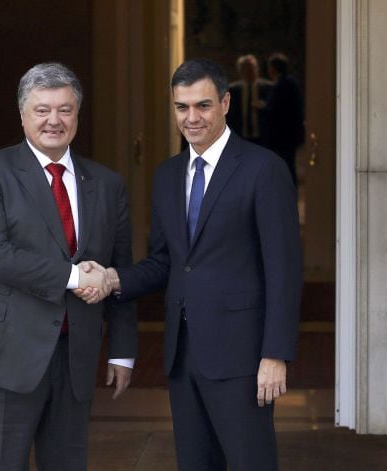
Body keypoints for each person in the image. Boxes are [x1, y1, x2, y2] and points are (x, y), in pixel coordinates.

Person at [80, 58, 302, 470]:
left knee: (249, 462)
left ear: (225, 103)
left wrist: (275, 354)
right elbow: (167, 262)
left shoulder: (263, 169)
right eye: (182, 107)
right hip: (183, 357)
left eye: (202, 105)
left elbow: (284, 270)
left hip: (243, 357)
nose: (192, 117)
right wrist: (113, 279)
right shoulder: (167, 175)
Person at [0, 62, 137, 470]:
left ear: (77, 115)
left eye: (65, 109)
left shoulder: (107, 184)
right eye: (42, 109)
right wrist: (74, 276)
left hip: (75, 355)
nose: (54, 120)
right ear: (22, 114)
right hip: (6, 353)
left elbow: (119, 268)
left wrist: (122, 351)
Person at [260, 52, 305, 185]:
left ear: (273, 68)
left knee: (286, 167)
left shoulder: (282, 85)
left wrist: (262, 108)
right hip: (289, 135)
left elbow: (278, 110)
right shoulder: (290, 83)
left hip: (283, 136)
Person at [225, 54, 273, 144]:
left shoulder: (268, 88)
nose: (252, 71)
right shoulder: (232, 90)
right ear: (241, 71)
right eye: (248, 69)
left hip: (263, 138)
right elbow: (227, 115)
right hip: (240, 137)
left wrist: (263, 107)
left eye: (254, 68)